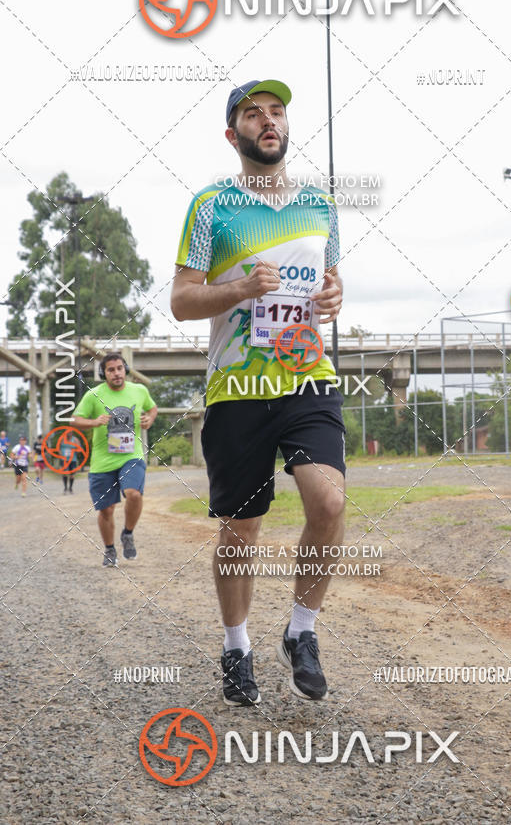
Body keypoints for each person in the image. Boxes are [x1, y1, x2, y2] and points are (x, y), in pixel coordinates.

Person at [171, 79, 345, 706]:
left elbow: (330, 279)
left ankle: (302, 632)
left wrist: (333, 295)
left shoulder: (321, 206)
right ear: (233, 134)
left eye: (276, 112)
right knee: (242, 530)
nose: (268, 120)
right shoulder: (211, 206)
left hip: (307, 378)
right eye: (253, 114)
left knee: (327, 502)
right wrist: (238, 290)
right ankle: (236, 645)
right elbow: (182, 299)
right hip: (237, 387)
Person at [71, 354, 158, 567]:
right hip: (102, 462)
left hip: (132, 456)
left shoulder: (139, 390)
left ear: (125, 369)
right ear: (104, 374)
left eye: (120, 368)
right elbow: (74, 420)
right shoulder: (94, 395)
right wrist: (94, 421)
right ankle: (110, 549)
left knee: (134, 494)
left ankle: (127, 534)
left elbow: (152, 408)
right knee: (106, 510)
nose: (116, 373)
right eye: (111, 370)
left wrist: (150, 418)